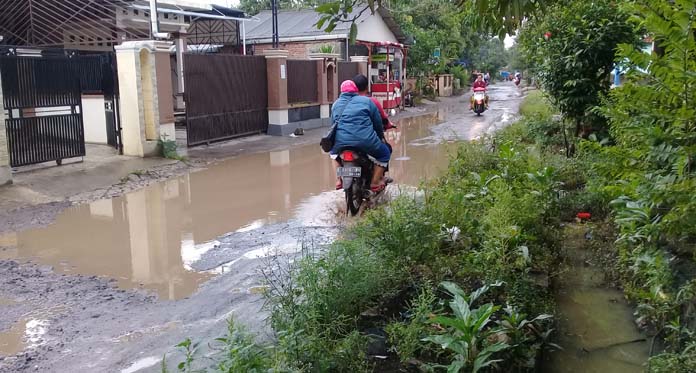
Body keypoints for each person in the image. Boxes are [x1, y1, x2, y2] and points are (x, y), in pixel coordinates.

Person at [331, 79, 392, 193]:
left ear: (341, 91)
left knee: (333, 154)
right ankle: (374, 183)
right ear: (355, 90)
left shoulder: (335, 104)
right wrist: (380, 136)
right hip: (366, 142)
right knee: (385, 153)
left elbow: (333, 125)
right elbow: (378, 122)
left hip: (340, 143)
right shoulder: (367, 101)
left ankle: (338, 180)